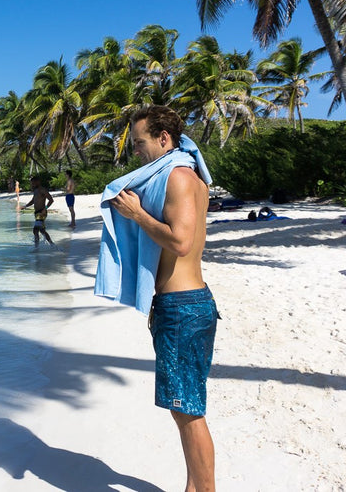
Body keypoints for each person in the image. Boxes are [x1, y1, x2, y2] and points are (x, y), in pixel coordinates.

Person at [98, 105, 217, 492]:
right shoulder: (191, 177)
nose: (136, 151)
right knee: (185, 407)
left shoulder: (180, 178)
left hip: (183, 307)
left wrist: (136, 214)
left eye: (139, 142)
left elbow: (180, 241)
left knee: (187, 412)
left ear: (163, 138)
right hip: (183, 304)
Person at [22, 177, 54, 246]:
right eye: (31, 183)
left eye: (33, 183)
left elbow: (51, 200)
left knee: (35, 230)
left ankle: (36, 247)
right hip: (37, 213)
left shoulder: (43, 190)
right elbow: (33, 201)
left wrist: (45, 209)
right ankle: (51, 244)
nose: (32, 185)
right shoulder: (36, 190)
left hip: (42, 212)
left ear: (38, 182)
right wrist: (25, 206)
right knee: (42, 230)